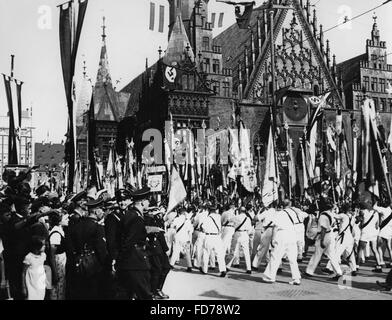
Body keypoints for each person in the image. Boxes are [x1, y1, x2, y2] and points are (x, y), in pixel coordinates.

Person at [65, 197, 108, 300]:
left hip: (77, 264)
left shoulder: (76, 225)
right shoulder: (98, 228)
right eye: (101, 210)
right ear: (97, 211)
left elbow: (69, 246)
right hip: (93, 266)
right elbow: (101, 250)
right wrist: (106, 265)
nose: (102, 212)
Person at [116, 187, 153, 300]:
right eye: (147, 200)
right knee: (144, 295)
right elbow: (129, 242)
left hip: (128, 262)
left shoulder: (129, 215)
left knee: (126, 295)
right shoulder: (136, 218)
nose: (149, 203)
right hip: (136, 262)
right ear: (142, 202)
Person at [261, 199, 301, 285]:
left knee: (276, 256)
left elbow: (275, 227)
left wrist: (273, 239)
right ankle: (296, 278)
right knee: (293, 258)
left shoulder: (280, 213)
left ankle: (270, 276)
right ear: (290, 204)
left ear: (282, 206)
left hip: (282, 235)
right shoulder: (294, 213)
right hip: (292, 235)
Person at [304, 199, 343, 281]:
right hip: (331, 235)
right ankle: (339, 272)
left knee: (317, 254)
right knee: (332, 255)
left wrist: (321, 240)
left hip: (324, 236)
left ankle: (309, 271)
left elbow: (323, 229)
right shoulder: (332, 214)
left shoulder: (323, 215)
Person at [145, 207, 171, 299]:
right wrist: (166, 248)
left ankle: (157, 289)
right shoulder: (150, 220)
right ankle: (154, 291)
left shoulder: (156, 220)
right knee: (157, 270)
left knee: (165, 268)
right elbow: (159, 235)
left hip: (159, 248)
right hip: (155, 248)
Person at [200, 204, 226, 277]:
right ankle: (223, 270)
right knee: (220, 254)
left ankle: (204, 270)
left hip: (209, 236)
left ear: (209, 210)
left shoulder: (207, 218)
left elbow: (203, 228)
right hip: (217, 237)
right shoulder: (219, 217)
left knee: (206, 253)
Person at [48, 209, 68, 300]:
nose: (68, 220)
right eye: (66, 218)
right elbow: (52, 254)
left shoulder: (60, 230)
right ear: (60, 221)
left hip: (61, 261)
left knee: (61, 287)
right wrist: (54, 272)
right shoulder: (55, 234)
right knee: (57, 288)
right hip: (57, 262)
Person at [226, 205, 252, 273]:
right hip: (245, 234)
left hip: (237, 233)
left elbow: (229, 220)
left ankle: (228, 266)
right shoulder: (248, 218)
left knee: (234, 251)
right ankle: (249, 268)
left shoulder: (236, 217)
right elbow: (250, 229)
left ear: (239, 211)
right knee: (246, 252)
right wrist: (247, 234)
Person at [22, 236, 47, 300]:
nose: (45, 246)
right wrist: (24, 287)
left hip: (40, 284)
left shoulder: (43, 256)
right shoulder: (29, 257)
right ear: (37, 246)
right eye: (43, 244)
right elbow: (23, 273)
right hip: (31, 285)